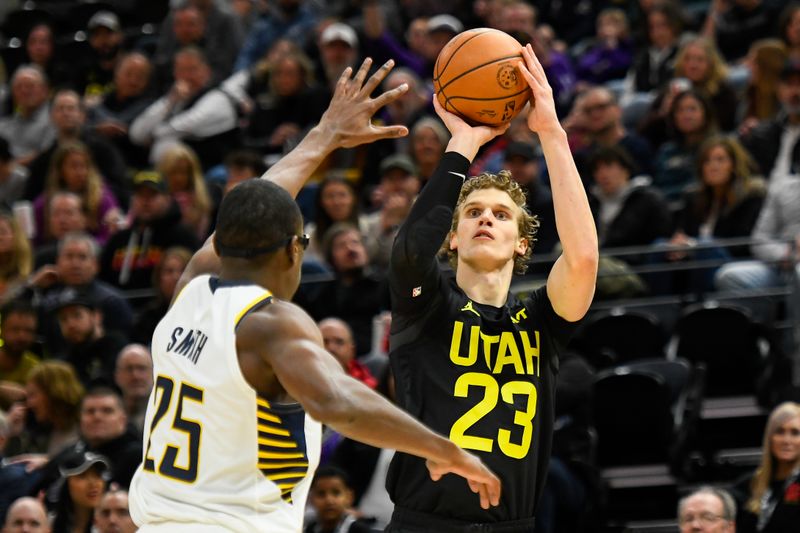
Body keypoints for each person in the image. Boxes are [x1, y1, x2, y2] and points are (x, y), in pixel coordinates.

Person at [128, 58, 501, 533]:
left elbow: (258, 203)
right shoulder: (269, 323)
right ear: (292, 250)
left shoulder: (191, 291)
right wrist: (445, 449)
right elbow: (337, 401)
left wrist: (325, 134)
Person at [385, 44, 598, 531]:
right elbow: (411, 252)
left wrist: (552, 133)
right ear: (453, 237)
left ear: (523, 244)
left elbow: (584, 258)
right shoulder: (427, 308)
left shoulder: (540, 322)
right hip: (423, 524)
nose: (486, 217)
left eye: (501, 215)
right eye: (473, 212)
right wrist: (462, 143)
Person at [732, 401, 800, 533]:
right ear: (769, 438)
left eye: (795, 433)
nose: (786, 440)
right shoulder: (749, 484)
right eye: (779, 432)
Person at [49, 450, 110, 533]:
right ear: (65, 484)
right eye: (82, 475)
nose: (93, 483)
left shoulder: (111, 526)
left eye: (97, 474)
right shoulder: (46, 525)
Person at [304, 466, 374, 533]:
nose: (329, 501)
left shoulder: (361, 531)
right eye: (321, 494)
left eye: (336, 493)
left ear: (349, 497)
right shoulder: (307, 529)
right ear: (311, 498)